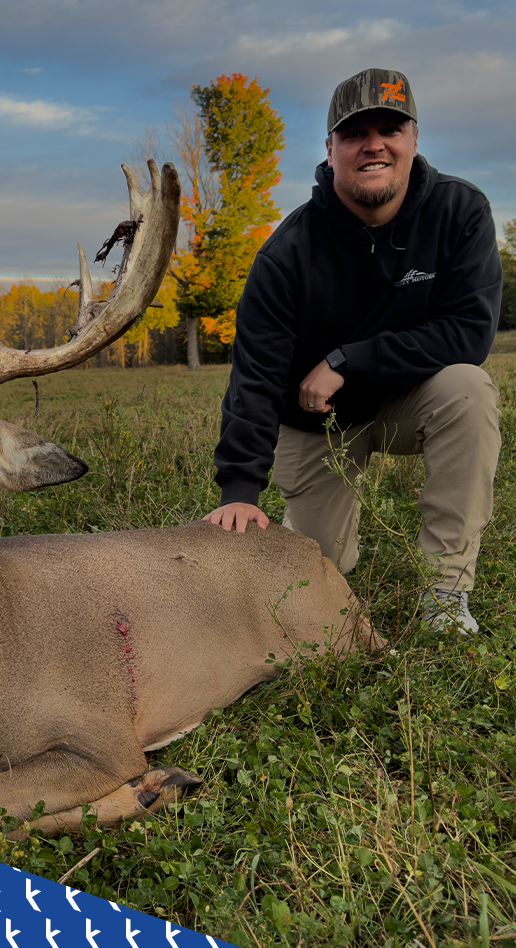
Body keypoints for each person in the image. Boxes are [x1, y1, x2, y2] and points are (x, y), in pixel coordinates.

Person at [204, 68, 502, 635]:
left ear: (413, 137)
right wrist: (240, 489)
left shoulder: (459, 212)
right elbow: (256, 376)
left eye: (389, 128)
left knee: (468, 388)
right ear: (330, 148)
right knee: (319, 574)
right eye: (354, 133)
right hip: (314, 424)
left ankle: (444, 596)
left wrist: (346, 360)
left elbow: (469, 332)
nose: (374, 145)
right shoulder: (286, 254)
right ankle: (328, 536)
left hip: (404, 400)